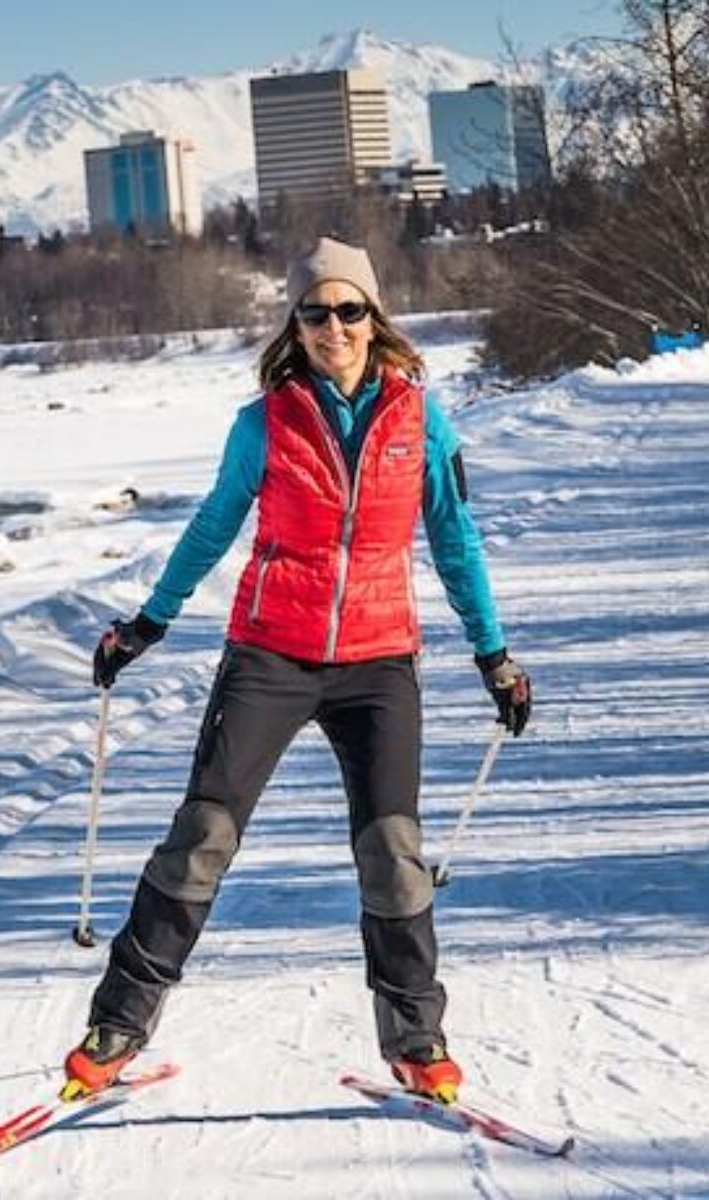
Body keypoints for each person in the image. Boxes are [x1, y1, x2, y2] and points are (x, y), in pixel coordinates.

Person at [62, 236, 532, 1107]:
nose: (332, 328)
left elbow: (456, 539)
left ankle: (418, 1042)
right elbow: (212, 526)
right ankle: (118, 1025)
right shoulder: (264, 422)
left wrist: (492, 652)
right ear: (296, 324)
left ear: (375, 318)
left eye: (349, 310)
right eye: (314, 313)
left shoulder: (422, 419)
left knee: (394, 855)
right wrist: (149, 622)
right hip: (270, 653)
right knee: (204, 835)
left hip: (379, 659)